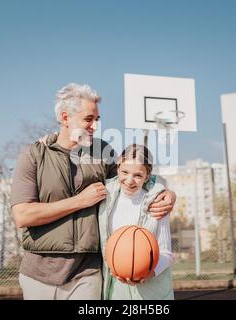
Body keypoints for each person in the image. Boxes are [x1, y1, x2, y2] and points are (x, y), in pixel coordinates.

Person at [10, 83, 176, 300]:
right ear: (65, 118)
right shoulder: (33, 155)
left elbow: (132, 176)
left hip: (87, 272)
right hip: (39, 272)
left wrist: (168, 193)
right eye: (88, 119)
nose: (95, 126)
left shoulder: (102, 152)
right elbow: (23, 215)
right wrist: (80, 201)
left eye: (97, 120)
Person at [99, 144, 174, 300]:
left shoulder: (159, 201)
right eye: (124, 172)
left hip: (152, 290)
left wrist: (147, 273)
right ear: (118, 167)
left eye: (138, 175)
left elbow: (166, 253)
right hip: (115, 288)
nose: (129, 180)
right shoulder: (103, 196)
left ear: (147, 176)